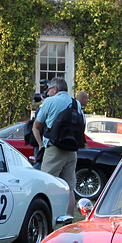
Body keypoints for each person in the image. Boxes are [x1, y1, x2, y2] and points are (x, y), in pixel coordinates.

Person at [32, 77, 84, 209]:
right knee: (69, 187)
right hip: (71, 150)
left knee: (47, 185)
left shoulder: (50, 101)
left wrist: (40, 144)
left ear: (55, 89)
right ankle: (69, 218)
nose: (47, 93)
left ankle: (48, 216)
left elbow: (36, 125)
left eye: (49, 90)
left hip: (54, 148)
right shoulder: (76, 103)